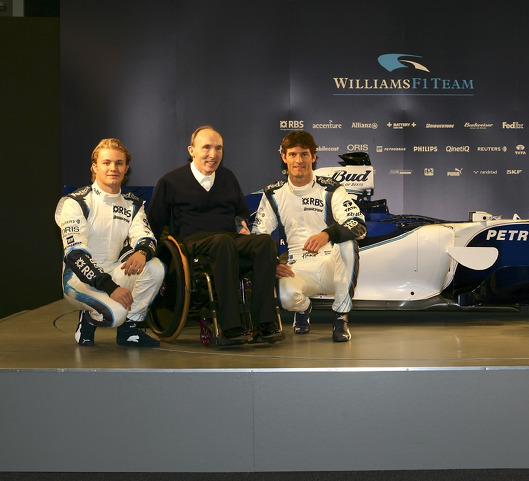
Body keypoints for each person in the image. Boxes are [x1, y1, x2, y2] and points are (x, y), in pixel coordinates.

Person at [147, 126, 283, 345]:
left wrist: (240, 223)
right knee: (223, 243)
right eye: (206, 147)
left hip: (227, 240)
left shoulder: (227, 177)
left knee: (265, 243)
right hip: (192, 244)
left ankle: (264, 324)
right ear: (192, 150)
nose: (213, 154)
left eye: (218, 148)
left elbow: (240, 211)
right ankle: (230, 326)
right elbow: (153, 224)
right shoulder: (170, 181)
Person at [252, 130, 367, 342]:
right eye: (293, 154)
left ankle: (341, 317)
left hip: (330, 265)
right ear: (284, 157)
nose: (299, 160)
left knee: (348, 243)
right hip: (297, 266)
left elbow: (358, 225)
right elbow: (258, 236)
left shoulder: (332, 189)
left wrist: (328, 234)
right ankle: (303, 309)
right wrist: (272, 263)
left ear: (313, 157)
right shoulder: (272, 194)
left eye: (304, 154)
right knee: (287, 299)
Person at [55, 138, 164, 347]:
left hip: (114, 271)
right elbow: (75, 255)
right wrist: (110, 287)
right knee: (115, 315)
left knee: (155, 268)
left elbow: (147, 237)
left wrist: (142, 252)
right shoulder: (75, 202)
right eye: (106, 163)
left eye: (119, 163)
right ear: (95, 167)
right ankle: (88, 318)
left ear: (126, 168)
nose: (113, 168)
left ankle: (129, 331)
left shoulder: (132, 203)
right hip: (78, 280)